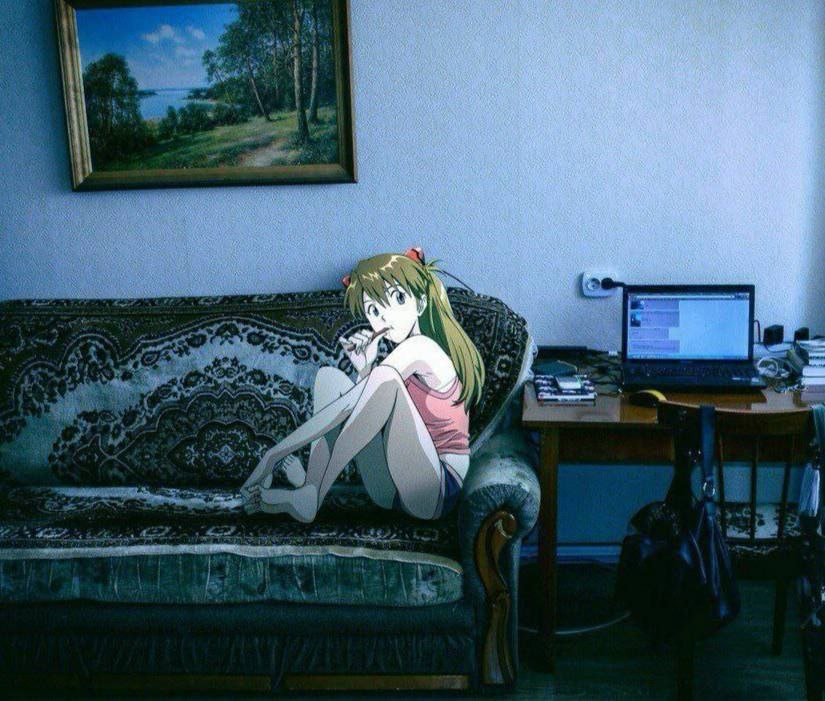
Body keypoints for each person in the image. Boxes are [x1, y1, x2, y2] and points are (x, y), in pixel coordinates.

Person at [240, 247, 485, 522]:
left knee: (384, 379)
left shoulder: (423, 348)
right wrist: (366, 367)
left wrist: (274, 453)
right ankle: (310, 487)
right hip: (389, 491)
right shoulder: (399, 358)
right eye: (373, 310)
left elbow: (351, 405)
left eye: (397, 299)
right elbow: (364, 412)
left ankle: (312, 494)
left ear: (420, 303)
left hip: (435, 492)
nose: (384, 317)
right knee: (330, 379)